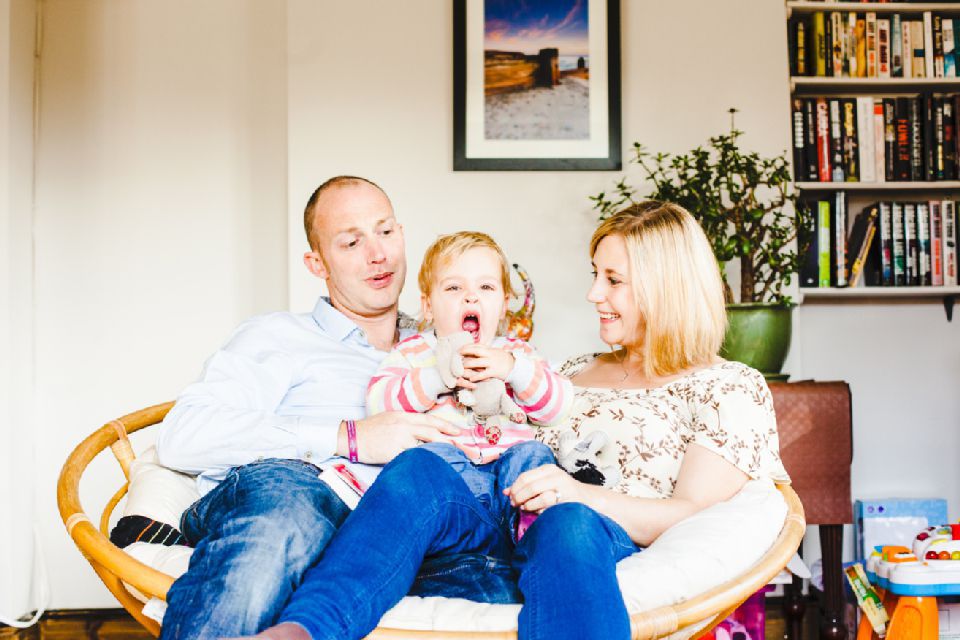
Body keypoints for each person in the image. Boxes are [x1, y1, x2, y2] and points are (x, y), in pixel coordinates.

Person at [250, 200, 790, 640]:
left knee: (569, 521)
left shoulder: (727, 387)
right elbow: (483, 427)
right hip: (486, 522)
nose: (592, 294)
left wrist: (578, 495)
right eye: (594, 275)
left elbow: (693, 513)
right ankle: (302, 631)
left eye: (612, 280)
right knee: (415, 470)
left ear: (662, 287)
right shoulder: (575, 368)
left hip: (577, 532)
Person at [153, 176, 519, 640]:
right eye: (351, 241)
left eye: (386, 232)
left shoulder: (445, 347)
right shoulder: (277, 336)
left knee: (505, 574)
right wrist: (350, 435)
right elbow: (182, 437)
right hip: (301, 491)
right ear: (317, 262)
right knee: (282, 522)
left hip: (405, 531)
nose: (378, 254)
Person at [366, 231, 571, 539]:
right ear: (428, 307)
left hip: (510, 479)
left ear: (503, 306)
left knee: (533, 454)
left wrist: (513, 370)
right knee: (425, 461)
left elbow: (557, 407)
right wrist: (437, 377)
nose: (471, 297)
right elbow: (378, 403)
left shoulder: (517, 354)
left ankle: (530, 530)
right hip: (453, 483)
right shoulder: (414, 352)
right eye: (453, 287)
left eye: (486, 287)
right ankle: (460, 534)